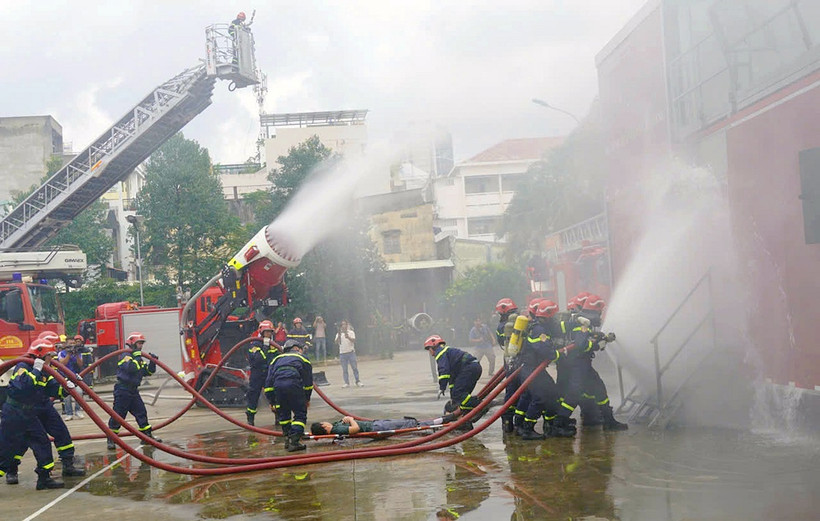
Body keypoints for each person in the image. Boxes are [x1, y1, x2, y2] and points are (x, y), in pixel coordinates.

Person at [556, 294, 627, 431]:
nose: (600, 315)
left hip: (583, 365)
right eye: (600, 312)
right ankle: (560, 422)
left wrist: (602, 339)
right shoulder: (584, 323)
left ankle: (609, 421)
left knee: (599, 389)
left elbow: (586, 339)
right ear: (597, 310)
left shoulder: (583, 320)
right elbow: (581, 345)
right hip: (579, 365)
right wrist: (596, 346)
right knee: (574, 394)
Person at [0, 339, 65, 490]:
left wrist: (68, 387)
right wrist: (36, 370)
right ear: (40, 354)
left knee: (42, 442)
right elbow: (22, 387)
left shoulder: (42, 370)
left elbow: (50, 388)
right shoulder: (23, 367)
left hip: (28, 413)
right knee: (6, 449)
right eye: (50, 355)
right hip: (14, 413)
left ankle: (44, 479)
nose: (52, 359)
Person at [518, 300, 574, 439]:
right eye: (554, 316)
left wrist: (576, 323)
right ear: (548, 315)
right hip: (531, 370)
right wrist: (561, 352)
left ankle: (551, 425)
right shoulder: (539, 330)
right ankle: (527, 429)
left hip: (536, 369)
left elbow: (560, 328)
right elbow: (546, 352)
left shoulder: (542, 326)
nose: (555, 319)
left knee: (553, 393)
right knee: (540, 397)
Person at [107, 333, 162, 450]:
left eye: (142, 343)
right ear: (132, 343)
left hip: (133, 390)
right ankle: (111, 439)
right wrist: (137, 357)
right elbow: (130, 368)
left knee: (141, 412)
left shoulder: (137, 357)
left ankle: (146, 436)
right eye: (139, 343)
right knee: (118, 416)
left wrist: (153, 362)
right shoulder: (125, 355)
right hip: (123, 390)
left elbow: (147, 372)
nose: (141, 346)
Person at [264, 339, 313, 452]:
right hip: (294, 384)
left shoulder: (275, 360)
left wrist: (272, 402)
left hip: (278, 386)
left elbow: (268, 383)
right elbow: (308, 383)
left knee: (284, 413)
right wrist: (307, 398)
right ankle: (294, 441)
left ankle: (287, 439)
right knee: (300, 414)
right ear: (296, 348)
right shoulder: (303, 358)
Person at [424, 335, 482, 418]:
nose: (430, 353)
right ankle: (466, 417)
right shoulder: (447, 352)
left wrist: (442, 387)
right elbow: (452, 379)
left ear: (433, 346)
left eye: (428, 349)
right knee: (460, 396)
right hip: (473, 368)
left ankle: (478, 406)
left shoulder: (441, 353)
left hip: (469, 368)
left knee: (459, 394)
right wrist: (452, 397)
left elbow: (444, 372)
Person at [245, 320, 278, 426]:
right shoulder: (254, 344)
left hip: (269, 373)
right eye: (267, 332)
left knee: (274, 395)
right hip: (257, 374)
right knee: (253, 395)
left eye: (270, 332)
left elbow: (277, 357)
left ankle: (278, 417)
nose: (269, 334)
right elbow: (259, 359)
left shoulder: (274, 345)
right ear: (262, 332)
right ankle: (250, 418)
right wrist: (265, 347)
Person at [494, 298, 520, 433]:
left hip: (511, 358)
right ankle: (508, 419)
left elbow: (500, 340)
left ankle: (509, 420)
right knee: (513, 389)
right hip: (513, 359)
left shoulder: (502, 326)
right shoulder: (509, 325)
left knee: (516, 389)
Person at [310, 413, 457, 436]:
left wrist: (345, 418)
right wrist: (351, 419)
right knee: (410, 423)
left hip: (377, 424)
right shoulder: (336, 429)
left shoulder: (336, 427)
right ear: (324, 426)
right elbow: (355, 428)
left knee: (408, 423)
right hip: (377, 428)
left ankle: (442, 421)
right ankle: (442, 421)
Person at [58, 338, 84, 420]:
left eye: (73, 343)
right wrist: (68, 355)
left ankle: (78, 410)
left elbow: (80, 364)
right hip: (64, 376)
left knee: (79, 392)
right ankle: (69, 413)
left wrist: (76, 355)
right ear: (66, 345)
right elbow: (62, 364)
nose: (72, 345)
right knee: (66, 395)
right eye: (70, 343)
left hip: (75, 376)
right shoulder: (61, 353)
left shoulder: (78, 353)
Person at [335, 320, 363, 387]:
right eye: (342, 325)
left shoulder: (351, 332)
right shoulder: (338, 334)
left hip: (351, 353)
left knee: (354, 368)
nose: (344, 326)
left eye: (345, 324)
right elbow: (336, 342)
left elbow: (353, 340)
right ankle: (346, 382)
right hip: (342, 353)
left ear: (347, 325)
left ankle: (357, 381)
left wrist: (348, 337)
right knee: (344, 369)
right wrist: (339, 336)